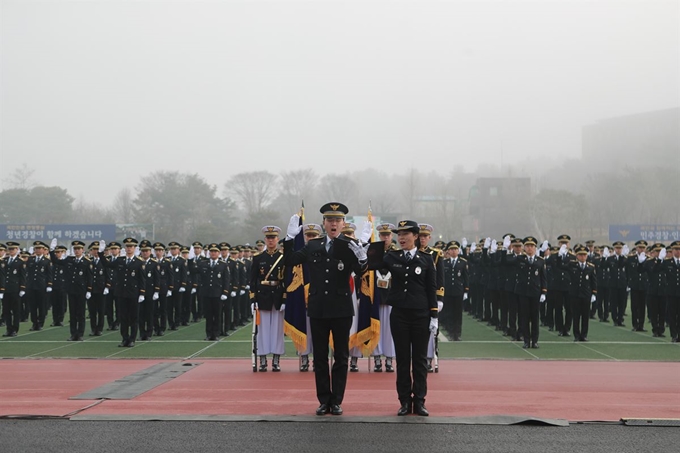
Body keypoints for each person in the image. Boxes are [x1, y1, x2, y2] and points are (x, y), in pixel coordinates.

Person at [283, 202, 369, 416]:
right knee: (320, 357)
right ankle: (323, 400)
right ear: (324, 223)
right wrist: (289, 239)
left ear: (343, 224)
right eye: (330, 220)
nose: (333, 223)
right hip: (318, 308)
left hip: (341, 309)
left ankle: (337, 400)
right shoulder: (313, 245)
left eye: (337, 220)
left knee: (341, 357)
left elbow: (360, 272)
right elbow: (291, 260)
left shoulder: (350, 245)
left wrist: (363, 258)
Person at [368, 220, 438, 416]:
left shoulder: (426, 259)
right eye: (398, 234)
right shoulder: (392, 256)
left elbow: (431, 288)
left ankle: (420, 401)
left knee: (420, 360)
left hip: (420, 314)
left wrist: (434, 315)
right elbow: (374, 265)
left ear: (415, 236)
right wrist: (369, 243)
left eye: (405, 234)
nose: (401, 237)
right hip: (399, 314)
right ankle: (405, 401)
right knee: (403, 360)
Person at [250, 226, 286, 371]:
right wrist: (253, 299)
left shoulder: (283, 257)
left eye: (273, 238)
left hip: (277, 295)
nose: (271, 240)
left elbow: (286, 281)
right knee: (263, 329)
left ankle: (276, 359)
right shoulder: (258, 258)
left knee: (277, 330)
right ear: (265, 239)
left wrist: (284, 299)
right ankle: (263, 358)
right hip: (263, 295)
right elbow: (252, 280)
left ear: (277, 240)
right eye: (268, 238)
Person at [101, 238, 147, 347]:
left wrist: (142, 293)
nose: (129, 248)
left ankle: (132, 339)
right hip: (121, 293)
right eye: (127, 246)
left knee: (133, 317)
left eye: (131, 246)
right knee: (123, 317)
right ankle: (124, 338)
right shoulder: (120, 260)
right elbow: (107, 265)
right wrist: (100, 253)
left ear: (135, 248)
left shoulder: (139, 262)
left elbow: (142, 279)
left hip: (134, 293)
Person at [51, 240, 93, 341]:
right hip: (71, 290)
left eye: (79, 249)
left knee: (81, 313)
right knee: (73, 313)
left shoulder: (87, 262)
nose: (77, 251)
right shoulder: (69, 260)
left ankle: (80, 334)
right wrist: (52, 250)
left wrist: (89, 290)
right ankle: (73, 334)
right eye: (75, 249)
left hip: (81, 290)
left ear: (83, 250)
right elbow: (57, 261)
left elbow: (89, 277)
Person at [557, 244, 597, 341]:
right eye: (580, 255)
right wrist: (559, 256)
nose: (582, 257)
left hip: (586, 294)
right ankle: (576, 335)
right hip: (575, 294)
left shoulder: (590, 267)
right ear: (577, 256)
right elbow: (560, 266)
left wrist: (594, 293)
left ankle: (584, 335)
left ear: (587, 256)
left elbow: (593, 281)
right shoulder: (572, 265)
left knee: (585, 316)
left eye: (584, 255)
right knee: (576, 315)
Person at [371, 223, 397, 373]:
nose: (385, 237)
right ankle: (376, 359)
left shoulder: (396, 253)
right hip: (376, 297)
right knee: (376, 330)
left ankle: (389, 359)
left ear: (391, 236)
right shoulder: (374, 252)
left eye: (388, 235)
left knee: (390, 331)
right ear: (379, 236)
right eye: (382, 235)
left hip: (391, 297)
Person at [195, 243, 230, 341]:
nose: (213, 253)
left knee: (217, 315)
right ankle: (209, 334)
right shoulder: (203, 263)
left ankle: (216, 333)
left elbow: (226, 280)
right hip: (206, 293)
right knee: (208, 315)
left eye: (215, 251)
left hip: (218, 294)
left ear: (219, 253)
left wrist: (225, 292)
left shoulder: (223, 265)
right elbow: (196, 274)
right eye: (212, 251)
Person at [442, 240, 468, 341]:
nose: (453, 251)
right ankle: (450, 331)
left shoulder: (462, 262)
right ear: (448, 251)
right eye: (451, 249)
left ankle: (457, 333)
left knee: (457, 313)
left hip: (458, 291)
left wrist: (466, 291)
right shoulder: (444, 262)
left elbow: (466, 278)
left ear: (458, 250)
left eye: (455, 249)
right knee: (449, 312)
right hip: (448, 290)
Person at [26, 241, 53, 331]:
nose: (37, 250)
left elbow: (49, 274)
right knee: (32, 306)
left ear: (43, 250)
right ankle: (34, 323)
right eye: (36, 248)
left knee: (41, 306)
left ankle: (40, 323)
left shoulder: (47, 261)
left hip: (42, 286)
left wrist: (49, 285)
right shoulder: (30, 260)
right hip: (31, 286)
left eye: (39, 248)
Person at [1, 242, 26, 337]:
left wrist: (22, 288)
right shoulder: (4, 260)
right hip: (6, 289)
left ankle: (15, 329)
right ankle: (8, 329)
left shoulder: (20, 262)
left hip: (15, 289)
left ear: (17, 250)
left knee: (16, 310)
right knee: (6, 310)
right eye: (10, 249)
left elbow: (22, 276)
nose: (11, 251)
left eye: (13, 249)